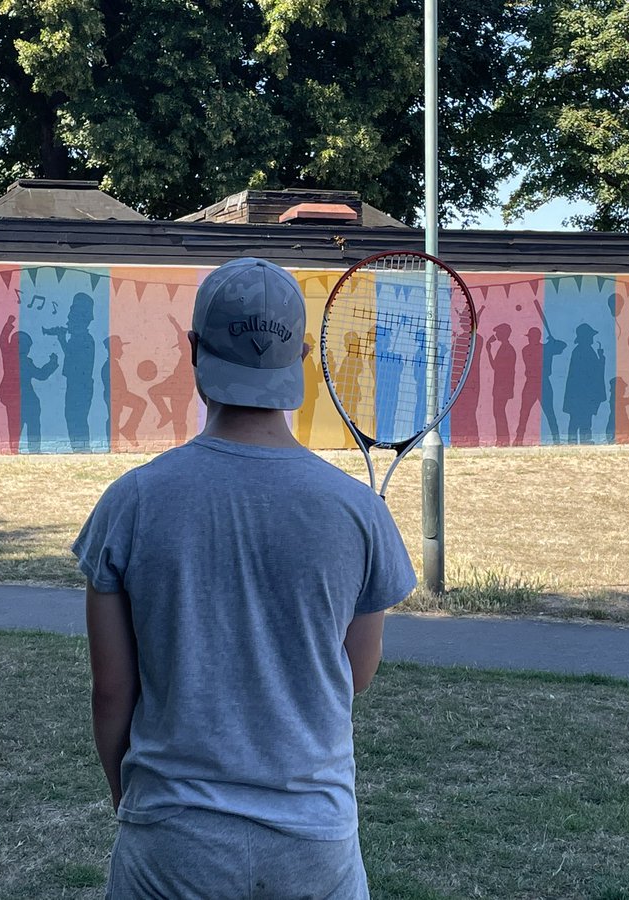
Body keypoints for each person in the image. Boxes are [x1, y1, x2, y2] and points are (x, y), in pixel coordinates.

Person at [74, 257, 416, 900]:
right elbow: (357, 674)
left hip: (171, 838)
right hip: (315, 839)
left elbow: (110, 691)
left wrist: (135, 804)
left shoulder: (132, 502)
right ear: (304, 356)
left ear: (194, 350)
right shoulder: (357, 511)